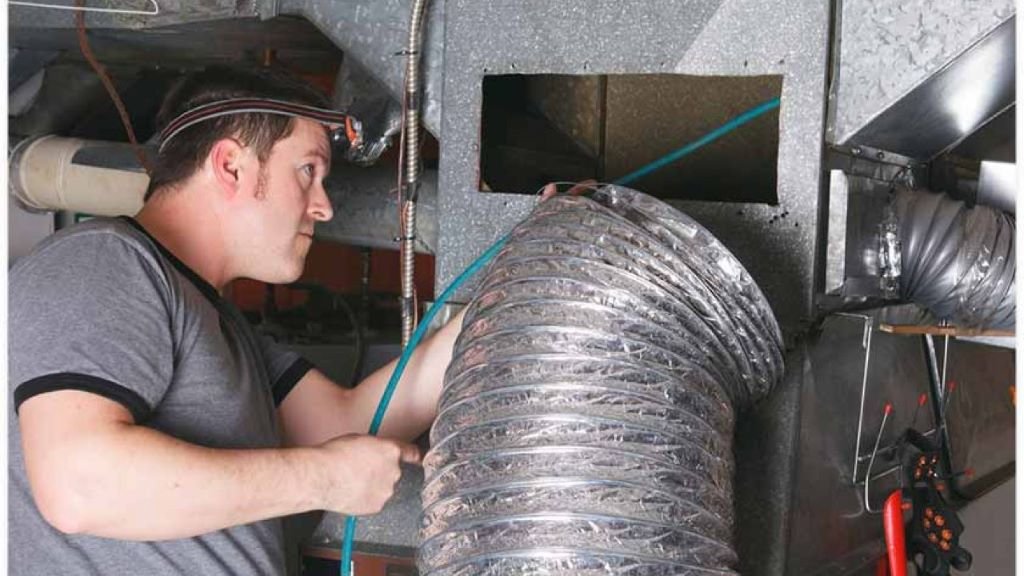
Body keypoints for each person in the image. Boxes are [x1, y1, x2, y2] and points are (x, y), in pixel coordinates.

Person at [8, 66, 461, 575]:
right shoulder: (102, 263)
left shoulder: (219, 322)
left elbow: (346, 424)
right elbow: (78, 486)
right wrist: (324, 479)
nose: (325, 207)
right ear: (231, 166)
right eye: (308, 171)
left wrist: (507, 289)